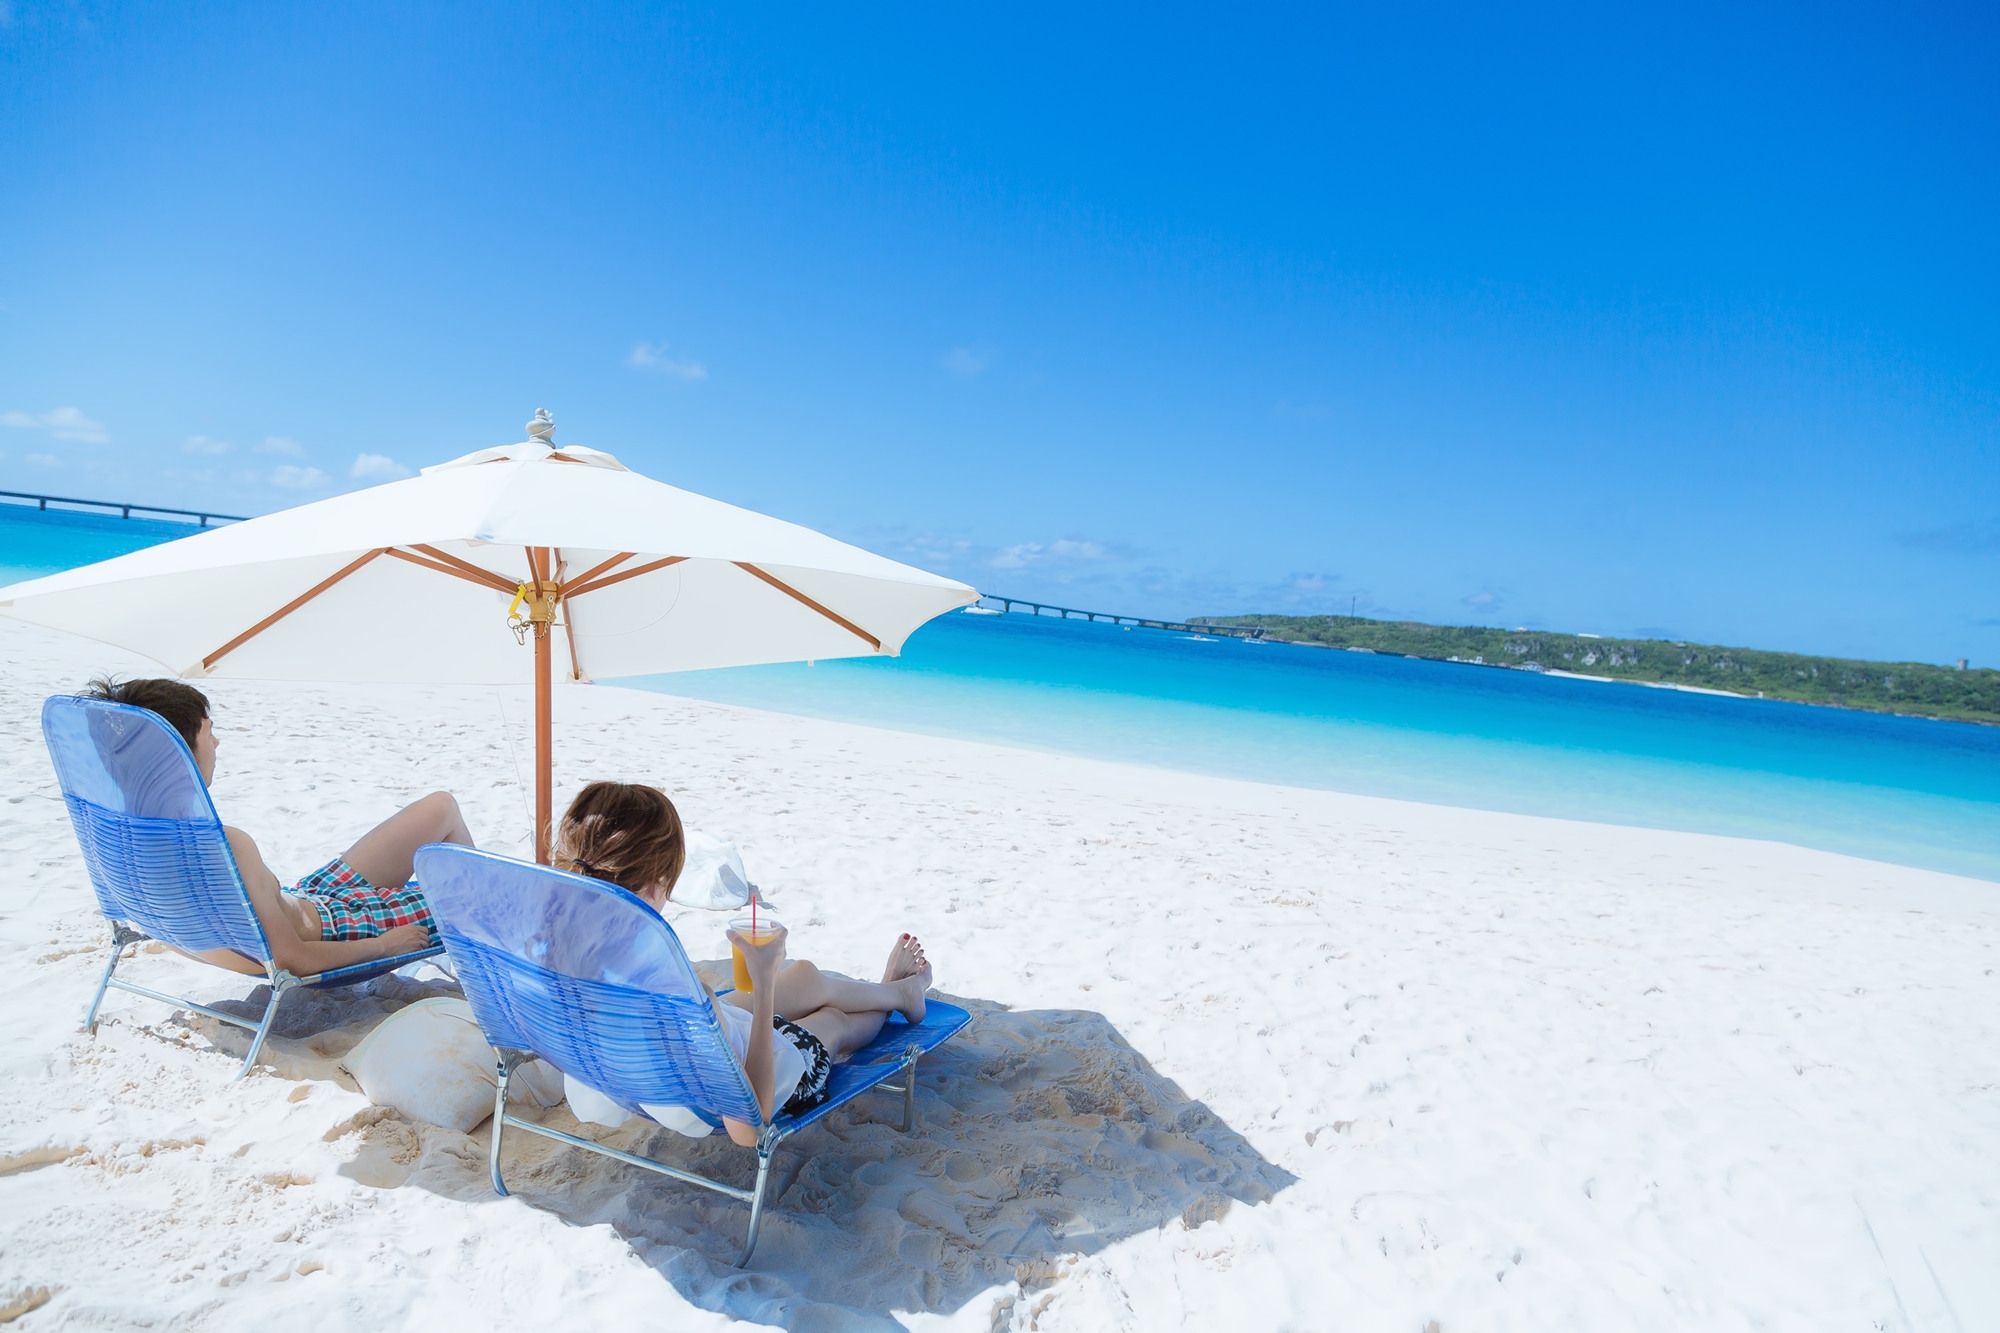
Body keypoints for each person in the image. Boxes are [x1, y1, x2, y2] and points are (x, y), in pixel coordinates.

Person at [552, 781, 933, 1145]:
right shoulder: (678, 995)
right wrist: (764, 981)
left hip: (660, 1059)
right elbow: (749, 1128)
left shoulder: (553, 959)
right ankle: (897, 992)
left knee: (804, 977)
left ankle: (896, 991)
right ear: (657, 883)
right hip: (752, 1080)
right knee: (832, 1019)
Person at [84, 677, 474, 977]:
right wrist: (383, 947)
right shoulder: (223, 846)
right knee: (477, 902)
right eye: (207, 732)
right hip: (338, 932)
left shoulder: (116, 834)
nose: (216, 742)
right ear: (178, 756)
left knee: (440, 807)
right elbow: (291, 958)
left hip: (305, 899)